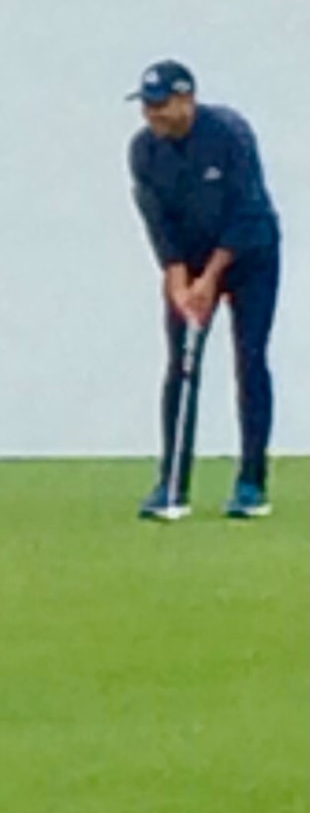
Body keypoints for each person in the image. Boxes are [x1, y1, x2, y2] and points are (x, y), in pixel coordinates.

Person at [127, 59, 282, 521]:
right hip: (191, 261)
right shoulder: (144, 151)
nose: (152, 115)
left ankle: (251, 483)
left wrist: (211, 278)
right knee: (181, 364)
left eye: (160, 105)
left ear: (185, 100)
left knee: (250, 358)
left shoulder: (229, 134)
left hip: (250, 256)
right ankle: (171, 484)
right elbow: (159, 222)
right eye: (147, 106)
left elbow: (246, 210)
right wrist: (178, 279)